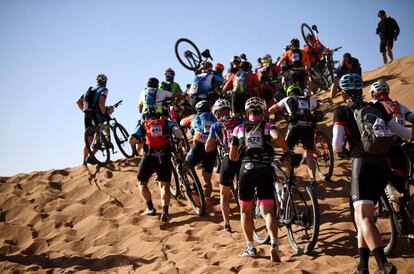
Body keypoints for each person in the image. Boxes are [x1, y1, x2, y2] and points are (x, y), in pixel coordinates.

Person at [332, 73, 410, 274]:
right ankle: (362, 267)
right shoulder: (375, 108)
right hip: (384, 163)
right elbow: (404, 133)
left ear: (342, 93)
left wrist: (342, 152)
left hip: (362, 164)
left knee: (364, 217)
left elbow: (336, 144)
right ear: (361, 90)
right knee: (362, 218)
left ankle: (383, 265)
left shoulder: (342, 111)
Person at [230, 97, 289, 262]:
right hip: (265, 169)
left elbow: (232, 155)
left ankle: (250, 247)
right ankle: (275, 244)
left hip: (246, 170)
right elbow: (277, 137)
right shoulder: (268, 125)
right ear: (262, 111)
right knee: (268, 211)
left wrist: (238, 158)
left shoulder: (238, 129)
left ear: (246, 112)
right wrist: (285, 151)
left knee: (245, 211)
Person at [369, 80, 414, 212]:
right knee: (404, 177)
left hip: (385, 146)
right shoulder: (399, 106)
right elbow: (412, 117)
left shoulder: (373, 105)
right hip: (404, 144)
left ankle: (393, 208)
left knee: (385, 176)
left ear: (373, 94)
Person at [134, 107, 183, 223]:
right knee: (164, 185)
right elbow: (178, 133)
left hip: (149, 157)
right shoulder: (166, 123)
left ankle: (150, 208)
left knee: (141, 181)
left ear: (145, 117)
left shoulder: (143, 125)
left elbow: (133, 140)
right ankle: (165, 211)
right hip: (165, 156)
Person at [269, 83, 320, 186]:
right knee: (309, 155)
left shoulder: (287, 99)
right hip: (308, 127)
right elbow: (319, 106)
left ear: (289, 92)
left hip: (294, 127)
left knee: (286, 152)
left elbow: (271, 109)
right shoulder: (308, 99)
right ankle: (313, 180)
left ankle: (292, 178)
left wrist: (271, 119)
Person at [205, 99, 243, 232]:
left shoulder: (215, 126)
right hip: (242, 158)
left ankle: (227, 223)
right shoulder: (240, 121)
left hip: (228, 159)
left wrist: (215, 143)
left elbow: (208, 148)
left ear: (217, 113)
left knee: (224, 194)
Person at [180, 100, 217, 204]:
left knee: (186, 166)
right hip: (211, 147)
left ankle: (193, 185)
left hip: (198, 146)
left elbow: (182, 122)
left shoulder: (194, 116)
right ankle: (206, 197)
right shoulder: (214, 117)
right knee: (207, 177)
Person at [76, 74, 110, 165]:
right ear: (105, 82)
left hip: (87, 116)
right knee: (100, 136)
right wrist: (104, 114)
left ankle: (84, 161)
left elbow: (78, 102)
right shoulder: (104, 90)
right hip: (96, 115)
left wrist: (85, 111)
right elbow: (101, 102)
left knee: (89, 140)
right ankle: (92, 156)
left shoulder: (90, 90)